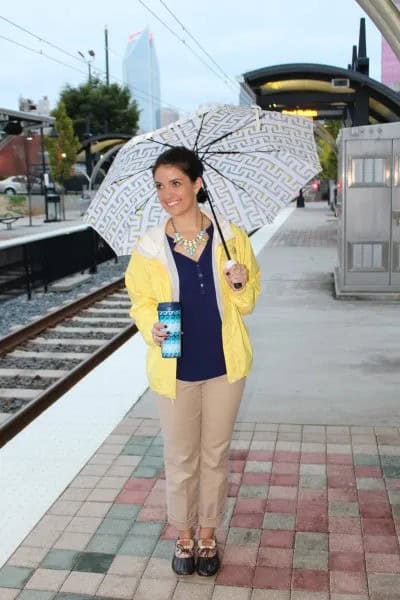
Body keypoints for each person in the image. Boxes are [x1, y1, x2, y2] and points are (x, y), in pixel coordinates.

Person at [125, 146, 260, 577]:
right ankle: (182, 534)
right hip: (175, 366)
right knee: (181, 457)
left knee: (215, 455)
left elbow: (250, 301)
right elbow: (140, 302)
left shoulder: (230, 238)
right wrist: (151, 326)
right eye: (160, 186)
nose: (167, 194)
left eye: (176, 183)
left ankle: (208, 532)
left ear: (197, 184)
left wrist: (240, 283)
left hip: (224, 365)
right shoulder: (148, 247)